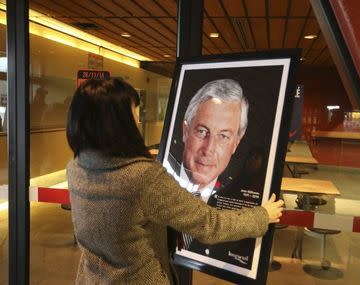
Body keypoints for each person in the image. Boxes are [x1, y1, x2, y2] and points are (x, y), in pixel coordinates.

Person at [66, 78, 284, 285]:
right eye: (132, 114)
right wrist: (261, 216)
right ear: (185, 130)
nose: (137, 120)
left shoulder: (76, 167)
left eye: (224, 135)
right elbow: (209, 225)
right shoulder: (143, 177)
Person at [166, 79, 248, 203]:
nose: (209, 149)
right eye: (202, 131)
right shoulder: (158, 182)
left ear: (236, 144)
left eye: (223, 136)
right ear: (185, 131)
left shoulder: (240, 200)